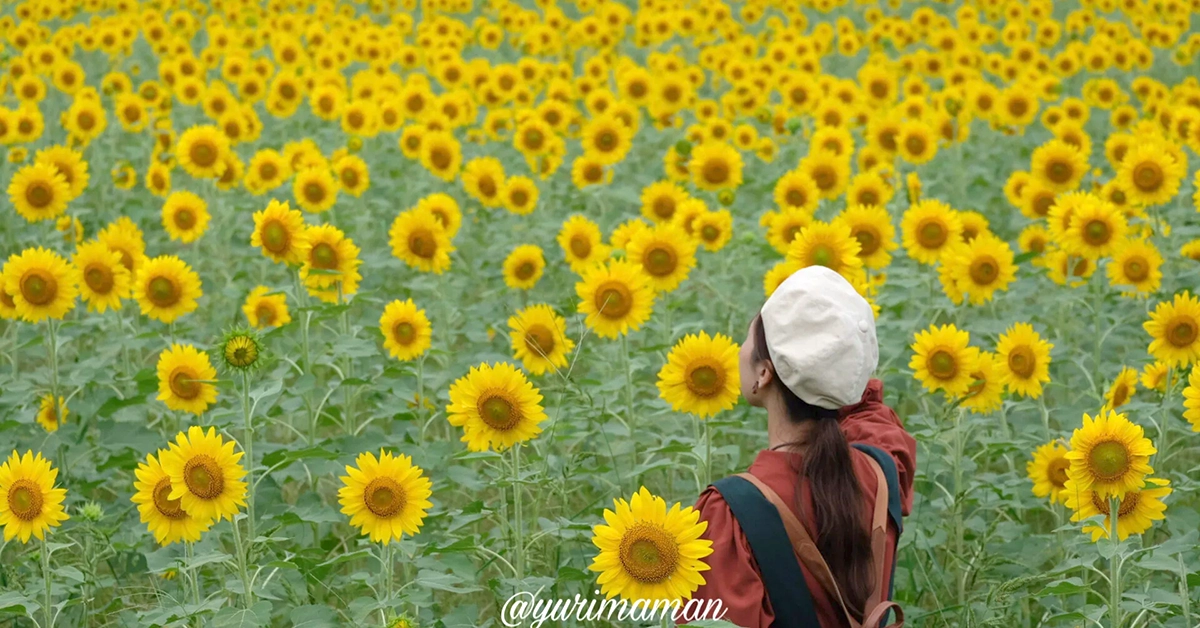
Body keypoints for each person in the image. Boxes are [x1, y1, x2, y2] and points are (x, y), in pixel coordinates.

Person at [689, 266, 916, 628]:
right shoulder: (881, 468)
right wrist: (839, 362)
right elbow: (868, 406)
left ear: (764, 373)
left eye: (749, 335)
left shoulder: (732, 513)